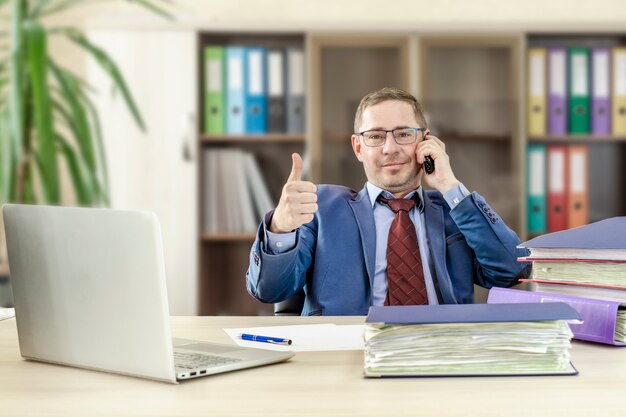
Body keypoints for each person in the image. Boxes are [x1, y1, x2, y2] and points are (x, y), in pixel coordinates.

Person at [246, 87, 530, 315]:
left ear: (426, 142)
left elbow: (511, 270)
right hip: (347, 356)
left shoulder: (454, 211)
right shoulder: (322, 208)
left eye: (404, 134)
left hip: (443, 349)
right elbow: (269, 290)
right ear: (358, 148)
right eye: (376, 136)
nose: (390, 148)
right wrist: (280, 229)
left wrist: (449, 185)